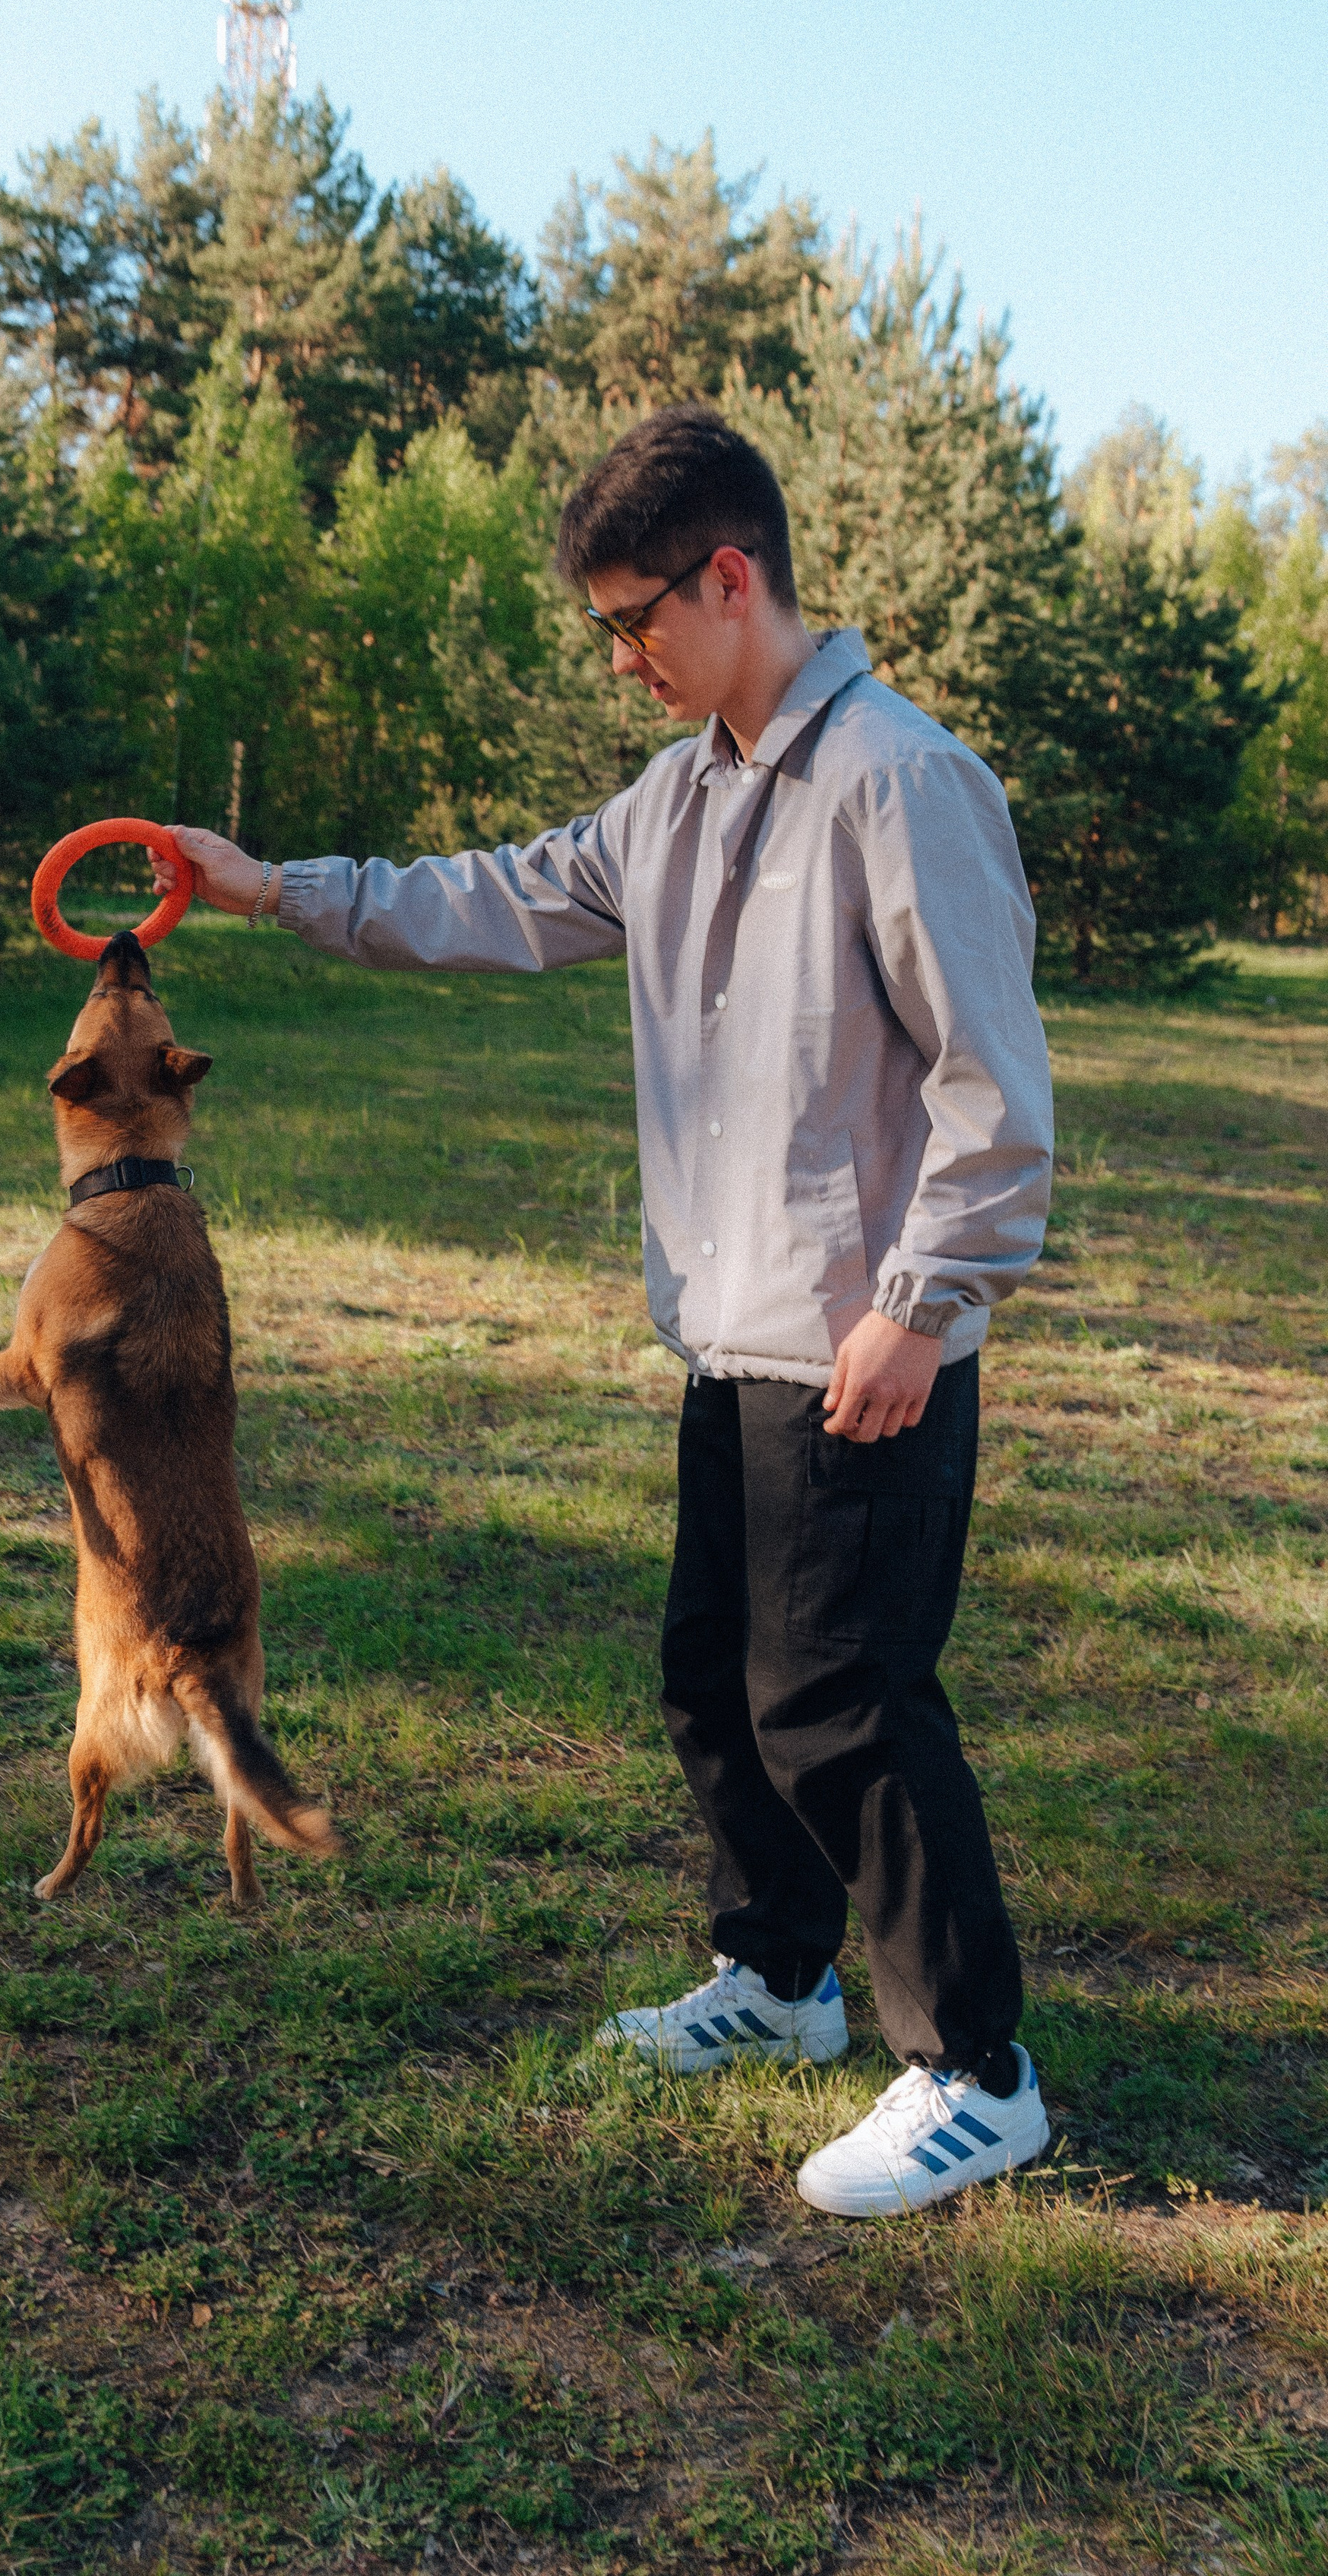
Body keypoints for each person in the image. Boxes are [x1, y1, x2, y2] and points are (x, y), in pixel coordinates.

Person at [153, 403, 1054, 2220]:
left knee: (842, 1703)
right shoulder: (678, 794)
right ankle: (781, 1977)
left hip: (861, 1352)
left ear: (731, 575)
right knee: (717, 1685)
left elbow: (992, 1092)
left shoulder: (897, 779)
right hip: (731, 1341)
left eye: (632, 617)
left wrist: (922, 1302)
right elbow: (484, 896)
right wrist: (272, 889)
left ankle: (973, 2070)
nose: (620, 655)